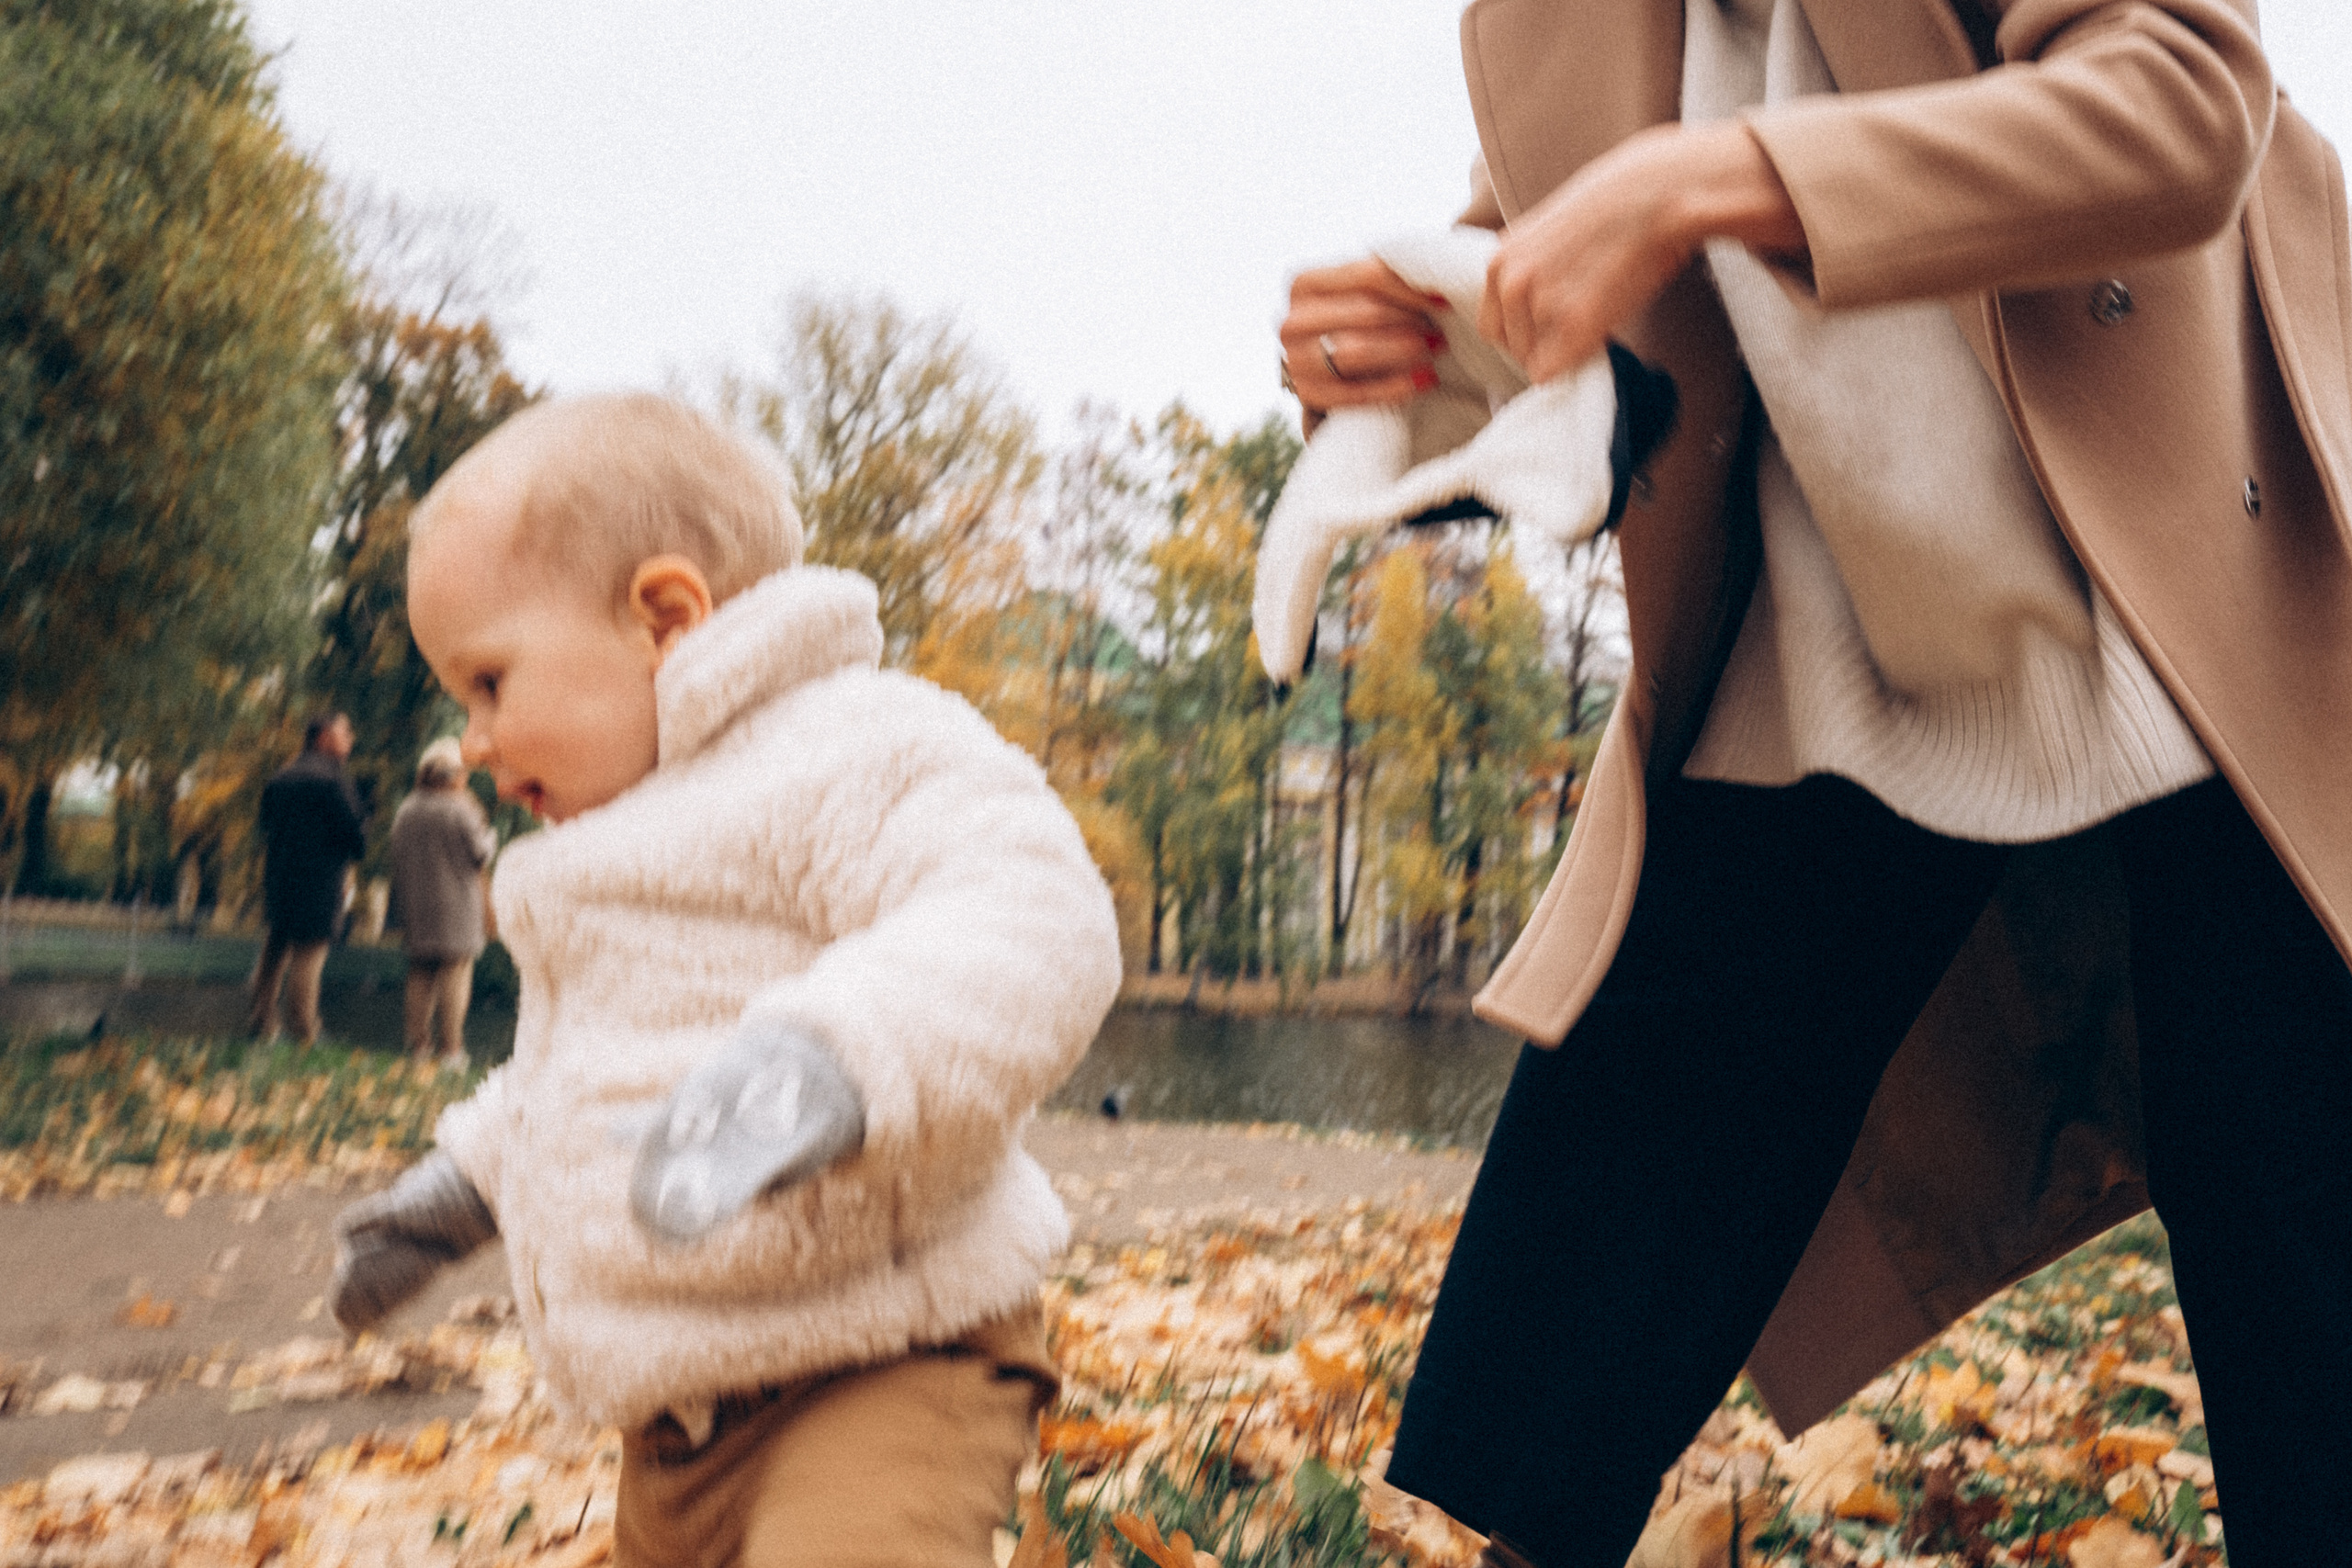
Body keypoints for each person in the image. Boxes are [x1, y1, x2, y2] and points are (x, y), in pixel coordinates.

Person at [1279, 0, 2351, 1563]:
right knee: (1594, 1241)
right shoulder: (1559, 24)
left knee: (2296, 1237)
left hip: (2199, 595)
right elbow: (1550, 334)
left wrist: (1708, 181)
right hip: (1844, 635)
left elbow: (2180, 102)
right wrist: (1380, 370)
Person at [322, 394, 1122, 1568]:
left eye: (491, 683)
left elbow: (1031, 908)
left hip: (887, 1360)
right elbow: (582, 1070)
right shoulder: (616, 839)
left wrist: (835, 1064)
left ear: (663, 616)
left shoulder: (854, 745)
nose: (476, 739)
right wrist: (466, 1186)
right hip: (676, 1426)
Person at [246, 712, 368, 1046]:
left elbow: (265, 825)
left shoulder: (280, 777)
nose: (351, 739)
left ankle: (262, 1022)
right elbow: (355, 835)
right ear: (323, 737)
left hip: (280, 875)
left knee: (275, 948)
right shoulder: (333, 780)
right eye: (345, 732)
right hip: (321, 878)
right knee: (309, 954)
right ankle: (304, 1030)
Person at [386, 736, 496, 1070]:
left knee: (420, 973)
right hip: (457, 904)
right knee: (455, 972)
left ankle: (418, 1046)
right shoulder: (460, 808)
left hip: (417, 903)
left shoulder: (406, 808)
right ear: (454, 775)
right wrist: (489, 833)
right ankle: (451, 1050)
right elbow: (482, 852)